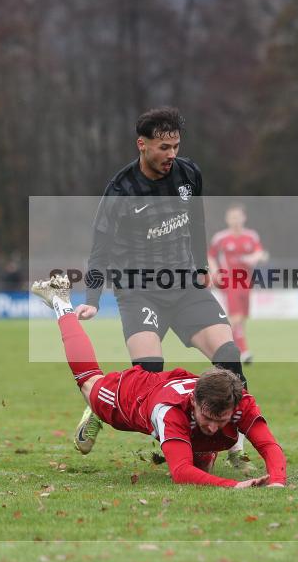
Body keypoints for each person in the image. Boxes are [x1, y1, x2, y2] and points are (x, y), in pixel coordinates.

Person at [73, 107, 254, 471]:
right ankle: (98, 405)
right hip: (138, 290)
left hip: (184, 284)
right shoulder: (120, 190)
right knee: (150, 374)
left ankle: (234, 439)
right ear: (142, 145)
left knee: (229, 356)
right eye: (163, 147)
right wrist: (92, 299)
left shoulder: (188, 174)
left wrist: (202, 268)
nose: (172, 154)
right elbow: (99, 250)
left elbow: (198, 220)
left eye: (176, 146)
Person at [33, 275, 286, 487]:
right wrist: (236, 485)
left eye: (219, 420)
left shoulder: (241, 403)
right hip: (137, 395)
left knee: (205, 462)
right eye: (207, 418)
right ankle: (61, 302)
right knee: (89, 380)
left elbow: (269, 446)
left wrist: (277, 482)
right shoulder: (170, 411)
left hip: (175, 387)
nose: (211, 426)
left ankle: (203, 449)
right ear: (194, 401)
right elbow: (181, 473)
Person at [208, 204, 269, 364]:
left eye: (238, 217)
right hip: (230, 281)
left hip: (246, 281)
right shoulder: (220, 238)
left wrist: (255, 257)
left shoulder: (251, 236)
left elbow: (260, 253)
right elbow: (211, 255)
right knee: (235, 318)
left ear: (244, 218)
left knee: (241, 318)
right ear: (227, 219)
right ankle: (242, 351)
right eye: (232, 217)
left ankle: (230, 348)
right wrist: (215, 272)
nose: (235, 220)